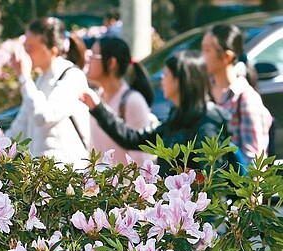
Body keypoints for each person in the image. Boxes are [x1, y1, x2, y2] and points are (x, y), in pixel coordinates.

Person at [80, 50, 229, 176]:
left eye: (166, 75)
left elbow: (210, 178)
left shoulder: (207, 120)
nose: (162, 80)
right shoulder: (176, 117)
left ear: (180, 80)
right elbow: (132, 139)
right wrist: (97, 108)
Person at [6, 17, 90, 170]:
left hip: (67, 176)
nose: (24, 54)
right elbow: (20, 126)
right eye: (24, 47)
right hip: (42, 176)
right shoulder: (39, 79)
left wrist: (24, 78)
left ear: (52, 51)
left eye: (30, 48)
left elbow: (44, 116)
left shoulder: (72, 76)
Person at [202, 23, 273, 166]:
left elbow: (254, 164)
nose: (202, 57)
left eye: (207, 50)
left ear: (226, 57)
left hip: (232, 187)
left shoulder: (246, 99)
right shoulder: (203, 93)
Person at [86, 36, 156, 165]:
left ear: (111, 63)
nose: (88, 60)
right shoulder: (96, 99)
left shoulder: (132, 101)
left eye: (94, 55)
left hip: (123, 184)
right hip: (100, 183)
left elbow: (141, 158)